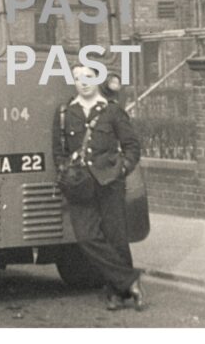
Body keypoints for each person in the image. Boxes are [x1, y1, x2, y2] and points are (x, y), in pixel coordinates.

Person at [53, 64, 145, 311]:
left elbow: (132, 146)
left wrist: (121, 169)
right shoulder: (65, 113)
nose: (83, 82)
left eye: (88, 77)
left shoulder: (112, 112)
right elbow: (59, 151)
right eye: (77, 78)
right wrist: (65, 171)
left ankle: (117, 293)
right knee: (86, 237)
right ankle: (130, 280)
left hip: (109, 183)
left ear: (98, 78)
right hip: (79, 185)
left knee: (116, 237)